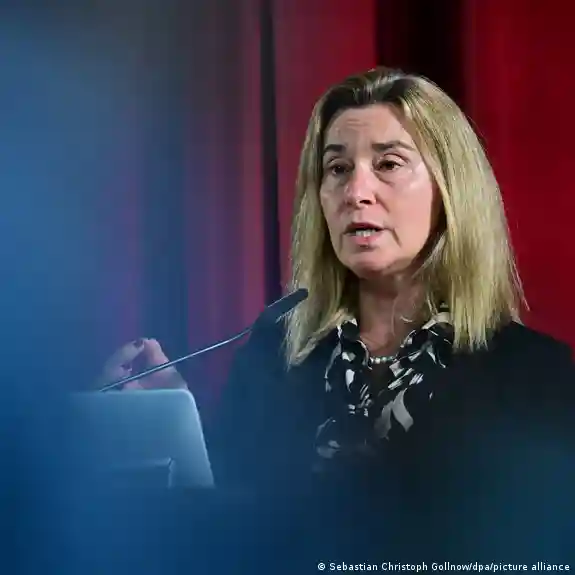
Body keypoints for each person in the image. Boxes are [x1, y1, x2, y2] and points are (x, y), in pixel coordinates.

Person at [99, 67, 575, 562]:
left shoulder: (531, 375)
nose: (355, 192)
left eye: (388, 164)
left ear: (450, 190)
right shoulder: (275, 353)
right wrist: (175, 424)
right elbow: (229, 525)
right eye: (338, 168)